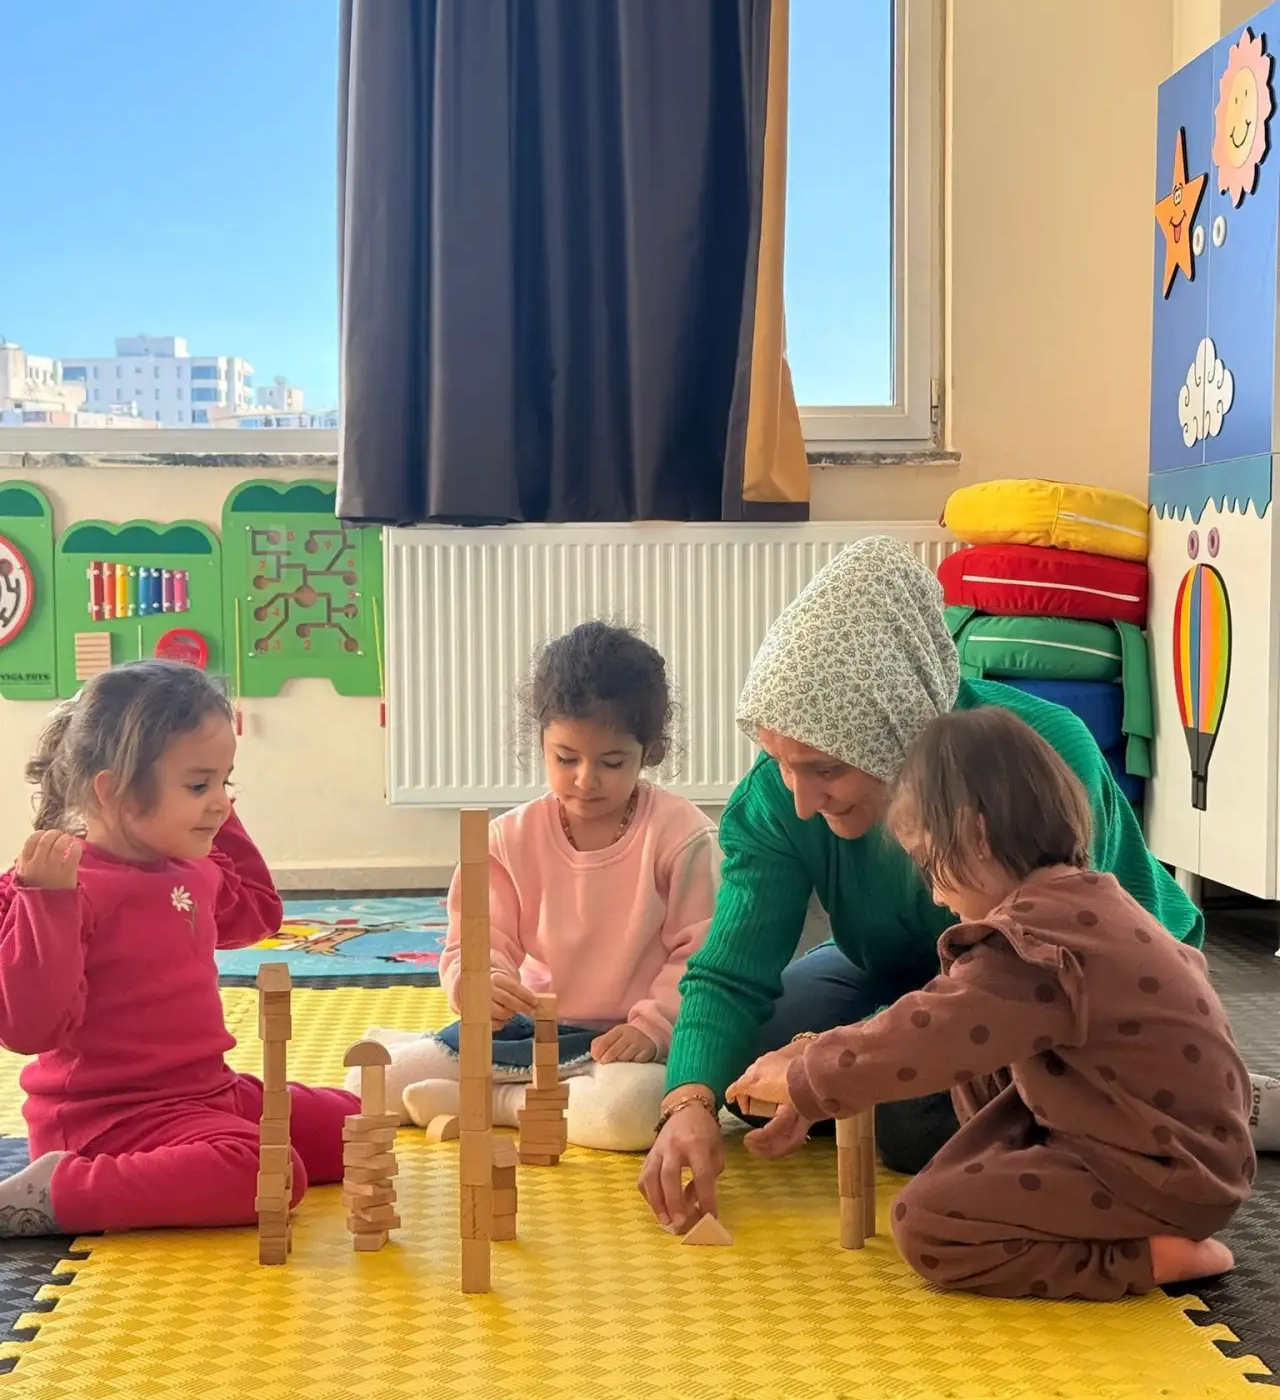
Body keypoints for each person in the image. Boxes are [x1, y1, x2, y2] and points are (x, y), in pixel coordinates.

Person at [639, 536, 1277, 1232]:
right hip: (907, 969)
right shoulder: (775, 799)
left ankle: (1210, 1099)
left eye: (824, 769)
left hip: (1070, 985)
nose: (799, 799)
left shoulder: (1035, 755)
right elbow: (730, 972)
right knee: (745, 1062)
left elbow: (1037, 976)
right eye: (780, 760)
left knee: (909, 1119)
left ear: (895, 738)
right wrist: (687, 1103)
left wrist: (839, 1060)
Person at [727, 706, 1252, 1298]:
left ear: (975, 836)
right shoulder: (1088, 902)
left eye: (930, 865)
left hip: (1161, 1175)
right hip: (1177, 1152)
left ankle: (1147, 1258)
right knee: (970, 1097)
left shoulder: (1030, 944)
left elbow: (926, 1034)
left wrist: (809, 1074)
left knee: (928, 1222)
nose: (933, 893)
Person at [0, 660, 360, 1238]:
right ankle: (58, 1191)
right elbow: (29, 1029)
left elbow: (258, 912)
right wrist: (46, 903)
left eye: (226, 782)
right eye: (199, 785)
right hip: (108, 1120)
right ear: (114, 791)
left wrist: (212, 810)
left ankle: (171, 1163)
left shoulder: (193, 866)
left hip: (208, 1093)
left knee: (357, 1126)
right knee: (269, 1175)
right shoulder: (66, 882)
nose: (221, 802)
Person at [352, 622, 719, 1151]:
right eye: (566, 758)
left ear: (650, 751)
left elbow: (702, 954)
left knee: (635, 1112)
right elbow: (477, 942)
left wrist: (653, 1027)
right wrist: (481, 983)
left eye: (612, 762)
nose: (585, 780)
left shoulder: (682, 836)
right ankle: (508, 1094)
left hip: (621, 1046)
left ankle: (496, 1104)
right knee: (366, 1085)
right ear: (541, 740)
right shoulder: (506, 839)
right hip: (526, 1033)